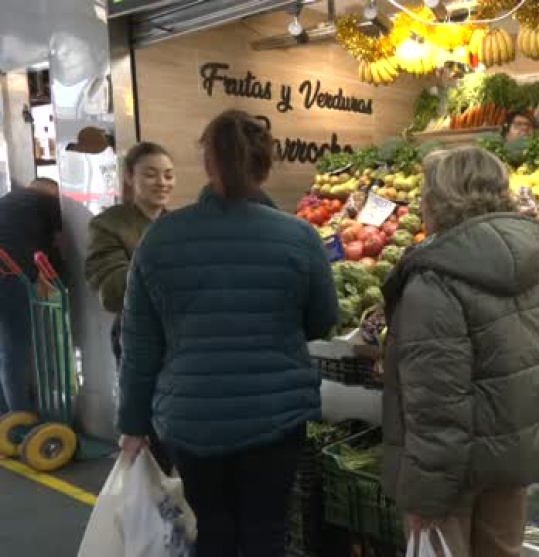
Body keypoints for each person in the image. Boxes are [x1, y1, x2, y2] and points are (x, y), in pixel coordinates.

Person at [116, 109, 337, 556]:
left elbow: (140, 344)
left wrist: (133, 426)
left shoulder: (160, 238)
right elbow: (322, 321)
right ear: (265, 166)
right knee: (266, 533)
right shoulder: (300, 237)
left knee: (210, 531)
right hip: (276, 415)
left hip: (191, 417)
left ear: (208, 163)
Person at [382, 147, 539, 557]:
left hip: (456, 475)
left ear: (440, 200)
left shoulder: (433, 280)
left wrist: (427, 498)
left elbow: (435, 406)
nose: (421, 202)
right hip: (514, 457)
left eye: (426, 193)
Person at [84, 141, 173, 471]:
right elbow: (111, 291)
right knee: (147, 428)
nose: (162, 182)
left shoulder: (179, 224)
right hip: (136, 338)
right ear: (129, 177)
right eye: (150, 174)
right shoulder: (108, 225)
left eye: (168, 175)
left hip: (180, 337)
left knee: (176, 424)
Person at [0, 178, 62, 416]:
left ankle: (6, 416)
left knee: (5, 348)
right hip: (9, 277)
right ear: (52, 192)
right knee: (15, 348)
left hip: (7, 271)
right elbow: (58, 245)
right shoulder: (47, 202)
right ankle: (20, 417)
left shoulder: (8, 201)